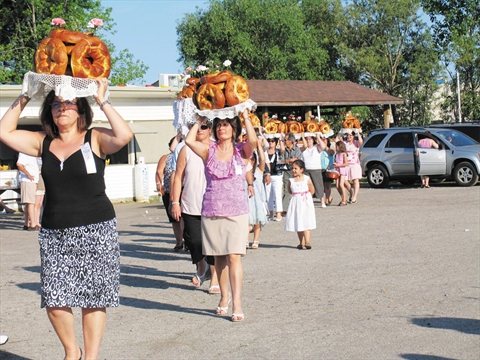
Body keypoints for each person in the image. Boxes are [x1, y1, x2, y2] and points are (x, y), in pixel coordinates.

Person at [0, 79, 133, 360]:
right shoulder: (42, 142)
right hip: (55, 232)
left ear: (80, 110)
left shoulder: (94, 137)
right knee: (54, 297)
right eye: (56, 104)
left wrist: (102, 100)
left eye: (69, 103)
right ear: (49, 111)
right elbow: (4, 131)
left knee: (94, 298)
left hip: (97, 229)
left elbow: (123, 136)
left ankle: (91, 356)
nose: (62, 108)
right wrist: (26, 94)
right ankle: (72, 351)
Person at [185, 110, 256, 322]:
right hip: (212, 210)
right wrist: (199, 122)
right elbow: (189, 141)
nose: (221, 128)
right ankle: (223, 298)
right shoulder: (209, 150)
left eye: (226, 124)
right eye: (218, 125)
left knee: (234, 256)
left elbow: (253, 140)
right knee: (220, 258)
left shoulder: (241, 151)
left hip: (236, 211)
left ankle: (237, 303)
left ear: (234, 129)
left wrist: (245, 117)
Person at [171, 120, 220, 294]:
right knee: (193, 240)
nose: (199, 129)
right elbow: (178, 177)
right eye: (195, 126)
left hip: (213, 203)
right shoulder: (186, 149)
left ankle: (215, 277)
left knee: (213, 242)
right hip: (190, 203)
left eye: (204, 126)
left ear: (210, 129)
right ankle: (202, 266)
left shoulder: (217, 147)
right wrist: (175, 202)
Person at [156, 136, 184, 251]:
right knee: (174, 218)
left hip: (184, 190)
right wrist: (158, 183)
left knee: (184, 217)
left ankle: (187, 240)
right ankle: (179, 242)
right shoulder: (166, 158)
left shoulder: (186, 154)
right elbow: (159, 171)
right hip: (168, 190)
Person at [284, 160, 316, 249]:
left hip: (305, 201)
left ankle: (307, 241)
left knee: (306, 220)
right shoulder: (291, 180)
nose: (293, 170)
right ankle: (301, 242)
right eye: (292, 168)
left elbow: (312, 190)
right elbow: (289, 190)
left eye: (296, 168)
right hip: (296, 201)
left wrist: (306, 196)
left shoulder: (306, 178)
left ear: (302, 169)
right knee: (298, 221)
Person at [247, 138, 268, 249]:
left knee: (257, 220)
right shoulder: (244, 173)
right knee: (247, 220)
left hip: (257, 200)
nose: (249, 161)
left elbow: (263, 160)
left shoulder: (258, 172)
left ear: (254, 161)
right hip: (247, 199)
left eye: (251, 159)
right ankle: (246, 240)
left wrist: (259, 146)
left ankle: (256, 240)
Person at [300, 133, 327, 207]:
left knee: (318, 185)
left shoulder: (316, 147)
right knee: (308, 186)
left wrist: (318, 137)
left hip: (316, 169)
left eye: (310, 139)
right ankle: (308, 201)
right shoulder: (303, 149)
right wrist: (303, 137)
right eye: (307, 139)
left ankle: (322, 202)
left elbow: (323, 146)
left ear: (313, 140)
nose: (308, 141)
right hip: (306, 169)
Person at [16, 153, 41, 230]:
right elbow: (19, 164)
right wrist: (29, 175)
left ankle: (27, 223)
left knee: (30, 203)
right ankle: (32, 224)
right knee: (30, 203)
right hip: (28, 180)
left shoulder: (31, 155)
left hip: (32, 181)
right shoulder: (24, 153)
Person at [278, 133, 302, 214]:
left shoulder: (297, 150)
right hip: (287, 171)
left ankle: (298, 207)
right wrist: (289, 160)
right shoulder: (284, 150)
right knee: (286, 189)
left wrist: (292, 160)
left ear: (291, 141)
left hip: (296, 172)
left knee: (297, 189)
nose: (284, 141)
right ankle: (284, 209)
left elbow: (299, 160)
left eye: (286, 140)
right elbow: (280, 161)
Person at [265, 137, 283, 221]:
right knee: (268, 195)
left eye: (272, 141)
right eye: (269, 141)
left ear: (275, 143)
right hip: (268, 175)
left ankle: (278, 213)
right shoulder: (265, 152)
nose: (270, 142)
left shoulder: (278, 152)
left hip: (277, 175)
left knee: (277, 194)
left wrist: (280, 139)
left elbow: (283, 148)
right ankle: (271, 213)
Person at [344, 131, 363, 203]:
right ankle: (351, 192)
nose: (349, 136)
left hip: (354, 164)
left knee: (355, 180)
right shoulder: (344, 143)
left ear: (353, 136)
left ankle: (354, 197)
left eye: (351, 135)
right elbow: (337, 141)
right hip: (346, 164)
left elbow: (361, 142)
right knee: (345, 181)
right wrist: (341, 132)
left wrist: (358, 132)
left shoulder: (356, 143)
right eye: (348, 135)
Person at [320, 137, 335, 205]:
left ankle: (327, 199)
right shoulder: (319, 148)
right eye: (321, 139)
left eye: (324, 139)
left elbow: (332, 153)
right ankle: (329, 196)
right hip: (320, 168)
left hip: (328, 168)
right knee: (322, 186)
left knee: (327, 185)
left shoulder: (331, 147)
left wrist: (325, 146)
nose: (323, 140)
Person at [334, 141, 349, 206]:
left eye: (336, 146)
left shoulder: (343, 154)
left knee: (341, 184)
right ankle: (343, 198)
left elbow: (346, 163)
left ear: (340, 147)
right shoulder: (337, 153)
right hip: (337, 170)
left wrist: (339, 165)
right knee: (337, 186)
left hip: (342, 170)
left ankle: (344, 200)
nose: (336, 147)